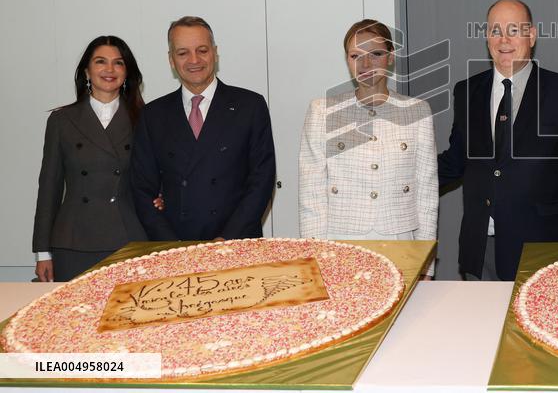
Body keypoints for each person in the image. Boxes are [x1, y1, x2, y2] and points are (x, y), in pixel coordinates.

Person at [438, 0, 558, 281]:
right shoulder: (467, 91)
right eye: (495, 30)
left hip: (542, 251)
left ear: (532, 35)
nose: (504, 40)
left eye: (513, 30)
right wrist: (403, 178)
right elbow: (455, 161)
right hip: (480, 251)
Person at [299, 19, 438, 273]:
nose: (365, 65)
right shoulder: (323, 111)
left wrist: (426, 265)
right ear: (347, 60)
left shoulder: (417, 111)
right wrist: (315, 259)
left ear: (390, 57)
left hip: (400, 240)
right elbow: (312, 194)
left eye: (375, 54)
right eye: (356, 56)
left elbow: (426, 194)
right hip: (341, 241)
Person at [130, 16, 276, 241]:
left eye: (202, 50)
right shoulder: (153, 115)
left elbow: (262, 181)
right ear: (171, 60)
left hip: (237, 243)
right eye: (183, 53)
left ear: (215, 53)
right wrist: (172, 245)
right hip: (176, 248)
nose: (194, 60)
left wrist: (227, 239)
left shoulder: (250, 106)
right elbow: (142, 190)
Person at [32, 36, 148, 281]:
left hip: (128, 240)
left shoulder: (145, 118)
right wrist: (42, 252)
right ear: (87, 70)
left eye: (118, 63)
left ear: (127, 72)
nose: (109, 70)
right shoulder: (62, 121)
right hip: (74, 240)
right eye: (100, 62)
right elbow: (49, 188)